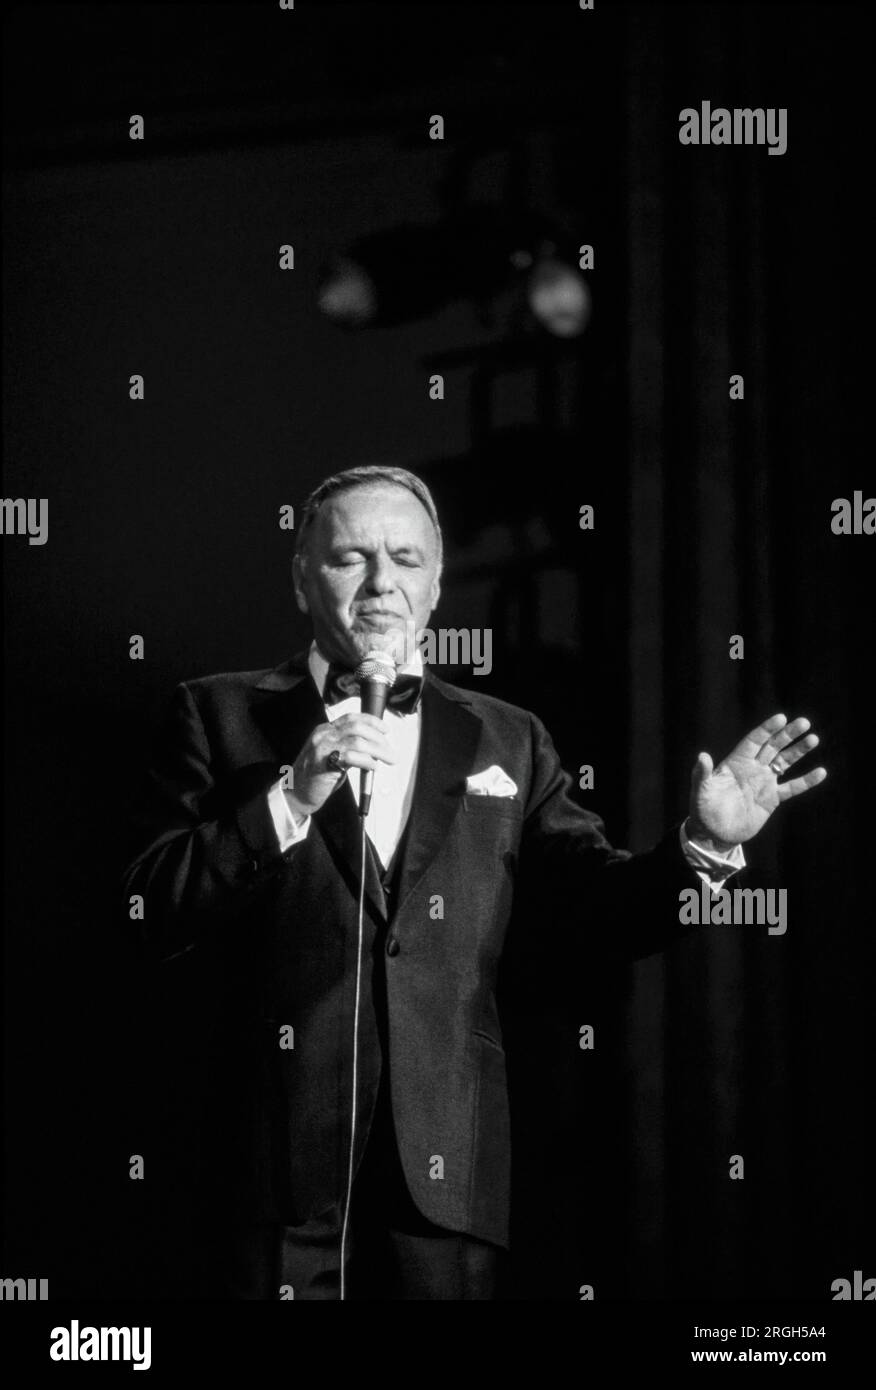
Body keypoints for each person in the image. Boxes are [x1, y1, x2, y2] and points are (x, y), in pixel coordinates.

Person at [123, 464, 826, 1300]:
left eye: (406, 559)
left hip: (445, 1173)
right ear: (301, 577)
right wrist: (289, 799)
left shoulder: (510, 738)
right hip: (267, 1171)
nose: (382, 582)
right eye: (352, 557)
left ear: (438, 583)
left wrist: (702, 847)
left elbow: (600, 912)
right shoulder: (215, 714)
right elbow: (146, 909)